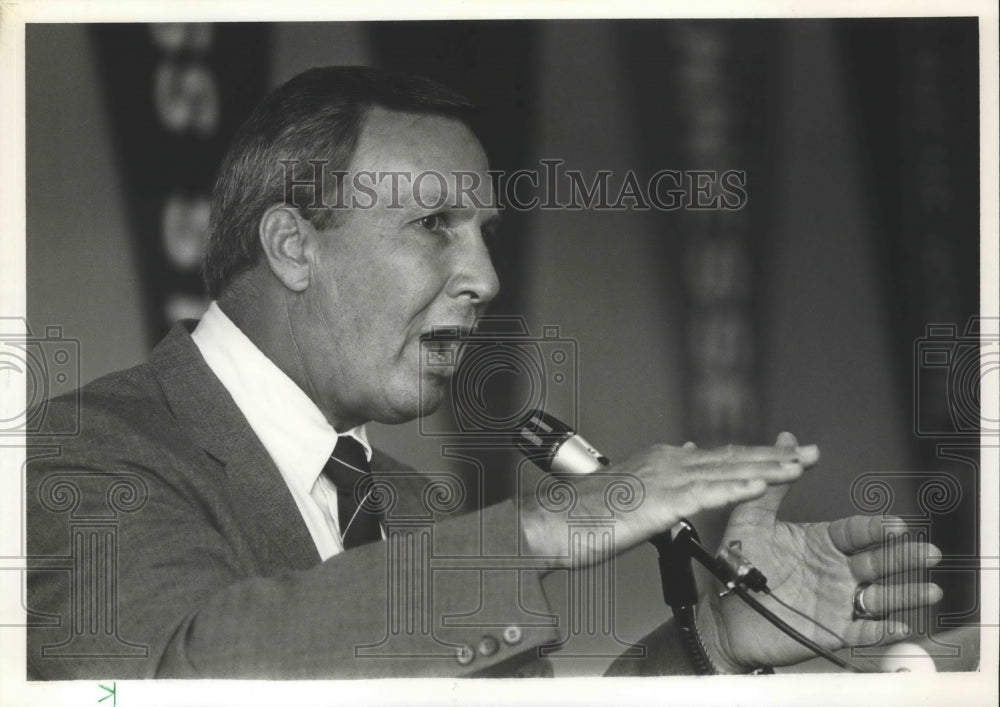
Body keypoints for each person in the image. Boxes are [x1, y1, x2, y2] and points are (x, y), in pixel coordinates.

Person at [26, 66, 941, 679]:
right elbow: (168, 678)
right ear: (292, 245)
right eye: (435, 226)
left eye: (485, 234)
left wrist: (715, 637)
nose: (487, 279)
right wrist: (537, 530)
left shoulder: (413, 505)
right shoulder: (83, 454)